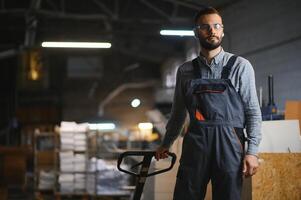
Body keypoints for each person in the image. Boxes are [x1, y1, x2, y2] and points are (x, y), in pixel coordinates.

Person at [155, 6, 262, 200]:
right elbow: (178, 112)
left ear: (222, 30)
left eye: (216, 25)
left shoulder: (240, 66)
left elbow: (253, 112)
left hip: (230, 145)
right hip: (196, 145)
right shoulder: (185, 71)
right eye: (205, 26)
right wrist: (166, 142)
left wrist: (252, 152)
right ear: (197, 32)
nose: (212, 30)